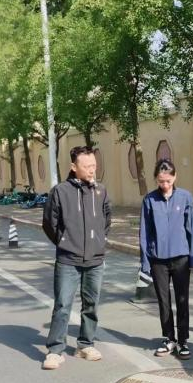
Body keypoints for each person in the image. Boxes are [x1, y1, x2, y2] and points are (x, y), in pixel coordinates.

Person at [41, 146, 112, 370]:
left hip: (95, 260)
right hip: (68, 260)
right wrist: (65, 242)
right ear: (74, 167)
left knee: (91, 305)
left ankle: (85, 345)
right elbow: (49, 224)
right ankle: (55, 351)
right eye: (87, 166)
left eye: (94, 165)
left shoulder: (101, 191)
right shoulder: (60, 192)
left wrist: (98, 241)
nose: (92, 170)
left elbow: (106, 220)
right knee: (63, 305)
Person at [139, 159, 193, 359]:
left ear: (175, 177)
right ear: (156, 179)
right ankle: (169, 338)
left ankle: (183, 341)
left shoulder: (185, 197)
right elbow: (144, 232)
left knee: (182, 300)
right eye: (160, 181)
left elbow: (192, 228)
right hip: (158, 260)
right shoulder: (149, 200)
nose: (164, 185)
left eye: (168, 181)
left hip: (181, 258)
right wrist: (145, 261)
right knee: (163, 301)